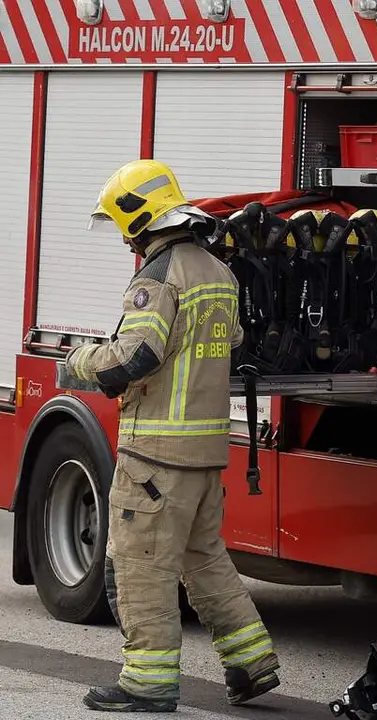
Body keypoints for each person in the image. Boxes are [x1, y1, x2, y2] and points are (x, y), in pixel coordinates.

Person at [65, 159, 282, 713]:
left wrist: (80, 362)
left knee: (140, 564)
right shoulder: (219, 273)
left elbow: (134, 357)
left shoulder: (159, 276)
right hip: (207, 454)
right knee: (204, 560)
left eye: (122, 223)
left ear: (139, 218)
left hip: (155, 458)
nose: (123, 237)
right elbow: (229, 344)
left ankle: (147, 681)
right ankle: (253, 662)